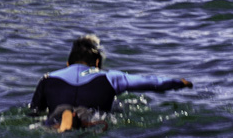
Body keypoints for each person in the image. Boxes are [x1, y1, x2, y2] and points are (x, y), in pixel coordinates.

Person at [29, 33, 193, 131]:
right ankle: (74, 118)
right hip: (92, 118)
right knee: (93, 117)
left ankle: (64, 118)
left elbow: (34, 112)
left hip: (55, 117)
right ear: (98, 64)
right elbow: (151, 82)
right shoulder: (110, 77)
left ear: (67, 64)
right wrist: (178, 83)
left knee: (50, 120)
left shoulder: (47, 79)